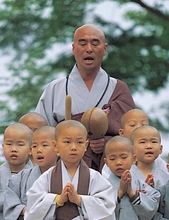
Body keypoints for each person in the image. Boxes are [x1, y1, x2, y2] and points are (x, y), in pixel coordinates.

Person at [35, 24, 135, 171]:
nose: (89, 49)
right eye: (82, 43)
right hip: (64, 171)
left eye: (95, 43)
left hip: (109, 174)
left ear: (105, 49)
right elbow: (41, 137)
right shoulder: (55, 89)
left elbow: (133, 135)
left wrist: (107, 142)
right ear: (73, 48)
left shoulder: (118, 89)